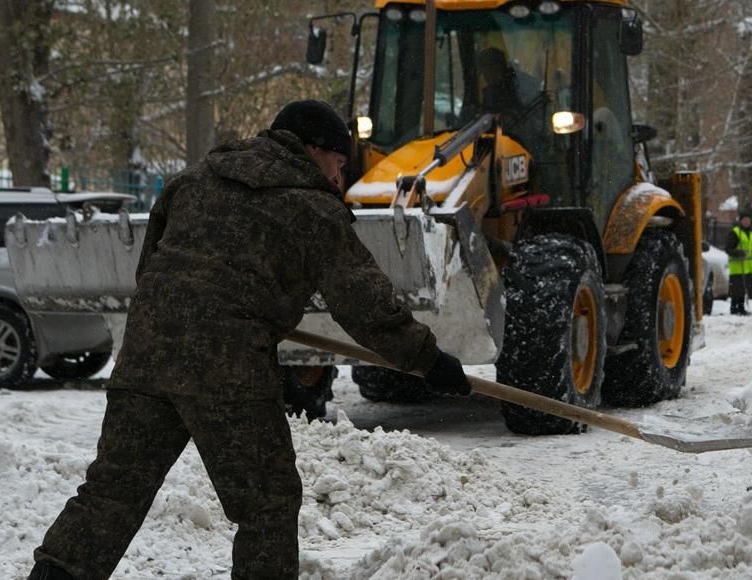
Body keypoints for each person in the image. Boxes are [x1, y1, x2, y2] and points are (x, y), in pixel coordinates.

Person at [27, 100, 472, 580]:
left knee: (112, 492)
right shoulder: (313, 208)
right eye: (340, 165)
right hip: (226, 368)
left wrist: (208, 309)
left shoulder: (193, 181)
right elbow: (366, 305)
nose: (340, 180)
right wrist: (428, 360)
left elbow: (152, 267)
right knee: (267, 504)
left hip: (146, 354)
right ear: (313, 150)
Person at [726, 212, 752, 316]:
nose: (746, 222)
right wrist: (737, 253)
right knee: (736, 291)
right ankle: (734, 309)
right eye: (744, 220)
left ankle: (741, 308)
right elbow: (728, 248)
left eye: (748, 220)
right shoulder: (735, 233)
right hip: (737, 267)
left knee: (743, 290)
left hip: (749, 267)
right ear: (740, 221)